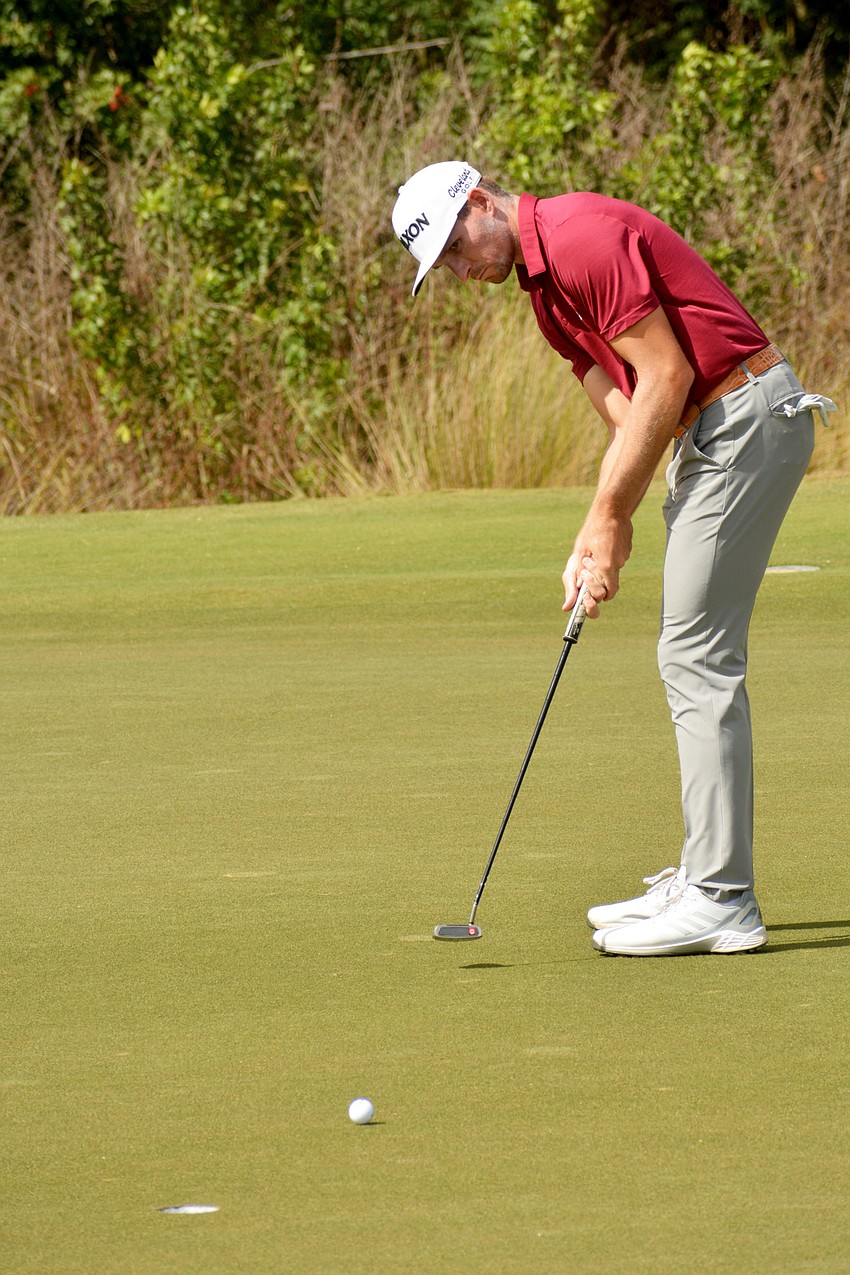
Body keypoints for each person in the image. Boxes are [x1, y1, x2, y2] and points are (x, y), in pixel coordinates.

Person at [392, 160, 836, 957]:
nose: (461, 271)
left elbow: (666, 374)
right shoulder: (546, 296)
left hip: (746, 415)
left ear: (481, 202)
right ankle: (708, 871)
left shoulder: (580, 237)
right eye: (445, 268)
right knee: (690, 651)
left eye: (456, 247)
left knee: (696, 654)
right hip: (709, 435)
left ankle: (723, 896)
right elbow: (635, 414)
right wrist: (603, 530)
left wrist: (609, 512)